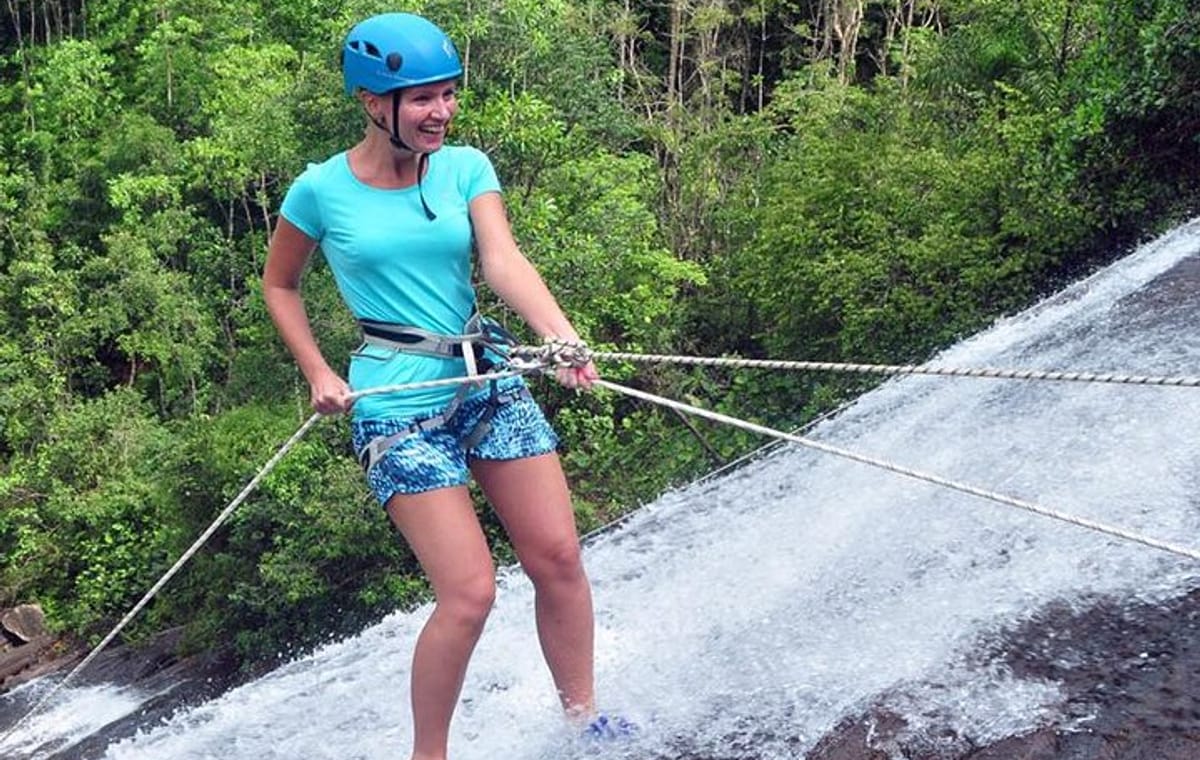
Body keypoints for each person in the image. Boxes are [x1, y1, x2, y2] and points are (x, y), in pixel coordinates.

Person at [262, 12, 627, 760]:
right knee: (469, 594)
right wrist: (319, 371)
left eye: (449, 95)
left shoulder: (466, 167)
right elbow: (280, 285)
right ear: (372, 102)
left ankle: (585, 724)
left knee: (557, 558)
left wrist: (559, 337)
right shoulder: (319, 191)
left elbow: (504, 260)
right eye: (423, 98)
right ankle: (430, 755)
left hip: (485, 379)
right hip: (395, 406)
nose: (442, 112)